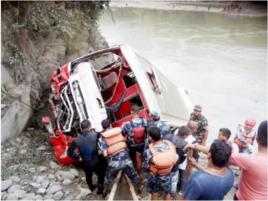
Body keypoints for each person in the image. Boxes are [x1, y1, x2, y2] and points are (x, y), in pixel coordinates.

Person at [98, 119, 141, 197]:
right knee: (134, 176)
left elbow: (104, 154)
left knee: (108, 178)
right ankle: (139, 189)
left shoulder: (102, 138)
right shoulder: (119, 132)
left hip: (114, 162)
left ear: (103, 127)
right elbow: (125, 141)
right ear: (110, 125)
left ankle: (105, 192)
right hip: (126, 159)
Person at [229, 120, 267, 200]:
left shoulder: (249, 160)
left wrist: (235, 146)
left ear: (257, 139)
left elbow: (230, 157)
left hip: (243, 198)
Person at [67, 120, 105, 193]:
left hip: (85, 162)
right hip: (96, 161)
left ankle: (91, 187)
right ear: (90, 126)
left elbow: (69, 152)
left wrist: (78, 157)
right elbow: (102, 135)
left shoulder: (76, 140)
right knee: (101, 174)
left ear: (81, 128)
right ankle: (100, 189)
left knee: (88, 175)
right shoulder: (95, 134)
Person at [143, 126, 178, 200]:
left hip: (155, 176)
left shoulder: (149, 151)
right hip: (167, 174)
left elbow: (146, 166)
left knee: (154, 193)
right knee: (167, 192)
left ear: (150, 138)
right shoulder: (169, 146)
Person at [121, 104, 148, 175]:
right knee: (143, 156)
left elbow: (123, 134)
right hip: (144, 143)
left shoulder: (127, 124)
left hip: (133, 145)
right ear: (139, 112)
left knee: (138, 158)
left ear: (131, 112)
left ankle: (139, 173)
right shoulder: (145, 121)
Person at [178, 126, 197, 192]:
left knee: (181, 176)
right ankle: (181, 190)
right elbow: (195, 154)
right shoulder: (193, 139)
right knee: (183, 177)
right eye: (195, 128)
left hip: (178, 160)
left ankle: (180, 188)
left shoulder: (178, 132)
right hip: (183, 161)